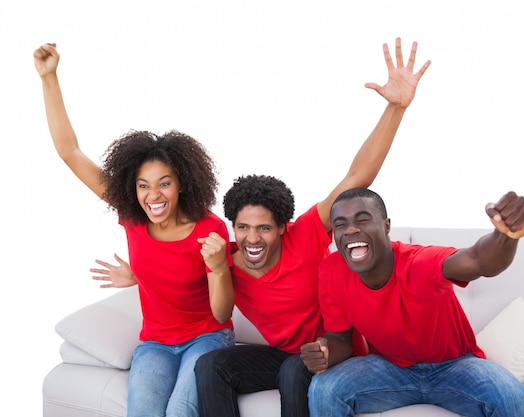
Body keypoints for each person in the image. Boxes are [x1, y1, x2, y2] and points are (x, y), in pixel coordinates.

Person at [193, 38, 431, 417]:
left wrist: (395, 109)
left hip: (336, 352)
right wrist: (215, 268)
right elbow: (221, 314)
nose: (252, 238)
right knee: (211, 365)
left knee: (294, 369)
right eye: (243, 227)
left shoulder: (305, 233)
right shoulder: (229, 261)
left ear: (283, 228)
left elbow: (358, 176)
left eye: (264, 228)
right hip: (284, 355)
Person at [34, 43, 236, 417]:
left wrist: (220, 267)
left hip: (208, 338)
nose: (153, 195)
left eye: (164, 183)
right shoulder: (133, 217)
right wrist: (49, 78)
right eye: (143, 185)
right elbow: (70, 152)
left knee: (180, 412)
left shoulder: (209, 229)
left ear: (183, 184)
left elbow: (223, 314)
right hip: (156, 343)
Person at [300, 188, 524, 417]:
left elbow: (477, 261)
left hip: (454, 367)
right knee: (325, 388)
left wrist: (505, 236)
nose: (350, 230)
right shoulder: (331, 272)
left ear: (387, 225)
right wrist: (325, 354)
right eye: (340, 224)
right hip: (388, 368)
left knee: (511, 396)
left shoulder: (419, 262)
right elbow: (340, 339)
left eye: (362, 220)